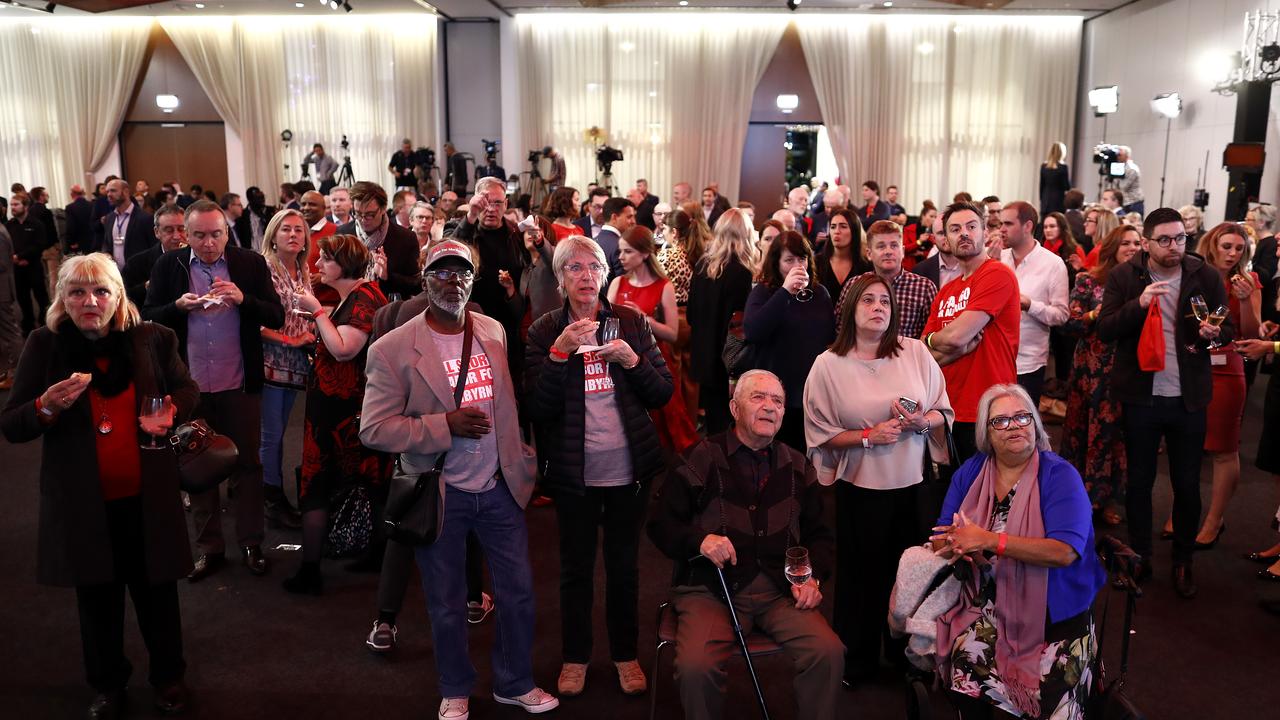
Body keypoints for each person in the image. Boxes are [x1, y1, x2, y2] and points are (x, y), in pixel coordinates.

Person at [360, 239, 557, 719]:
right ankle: (454, 687)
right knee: (446, 604)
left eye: (462, 273)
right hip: (440, 491)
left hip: (499, 486)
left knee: (519, 594)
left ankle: (514, 682)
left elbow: (507, 402)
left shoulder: (492, 330)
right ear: (425, 281)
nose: (454, 282)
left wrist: (521, 453)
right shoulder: (392, 349)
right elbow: (373, 429)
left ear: (474, 279)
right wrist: (442, 425)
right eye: (443, 273)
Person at [1, 254, 201, 717]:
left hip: (147, 498)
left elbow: (189, 390)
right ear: (62, 299)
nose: (90, 302)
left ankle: (169, 678)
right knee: (97, 602)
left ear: (117, 296)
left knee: (158, 599)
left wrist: (172, 409)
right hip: (83, 504)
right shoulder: (43, 346)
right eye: (77, 293)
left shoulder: (152, 339)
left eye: (100, 292)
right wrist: (45, 407)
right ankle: (108, 685)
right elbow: (12, 424)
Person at [525, 234, 673, 698]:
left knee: (625, 567)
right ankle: (576, 657)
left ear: (604, 276)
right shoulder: (546, 329)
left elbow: (662, 393)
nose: (585, 276)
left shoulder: (629, 322)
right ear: (561, 278)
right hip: (574, 472)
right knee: (575, 569)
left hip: (629, 469)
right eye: (574, 268)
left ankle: (626, 655)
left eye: (593, 268)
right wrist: (559, 353)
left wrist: (632, 361)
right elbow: (537, 406)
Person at [648, 369, 843, 720]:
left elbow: (821, 535)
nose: (770, 407)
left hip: (778, 591)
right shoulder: (698, 458)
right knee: (696, 667)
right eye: (758, 397)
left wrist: (811, 578)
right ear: (734, 408)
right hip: (710, 590)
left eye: (778, 401)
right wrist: (700, 540)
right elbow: (660, 526)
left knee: (828, 653)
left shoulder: (798, 465)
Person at [804, 274, 953, 687]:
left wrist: (923, 422)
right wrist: (869, 437)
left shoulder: (916, 353)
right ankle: (858, 659)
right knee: (860, 577)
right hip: (860, 489)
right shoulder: (828, 365)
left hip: (912, 485)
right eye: (868, 300)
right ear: (851, 308)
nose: (878, 307)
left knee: (909, 574)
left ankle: (908, 655)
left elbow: (945, 412)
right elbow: (818, 433)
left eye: (885, 301)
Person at [932, 384, 1105, 720]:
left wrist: (986, 540)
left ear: (1036, 424)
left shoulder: (1059, 476)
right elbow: (940, 535)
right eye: (1001, 421)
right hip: (988, 607)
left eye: (1023, 417)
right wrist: (955, 544)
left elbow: (1065, 552)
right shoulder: (972, 473)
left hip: (1055, 618)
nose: (1014, 426)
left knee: (1054, 707)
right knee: (965, 664)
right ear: (985, 432)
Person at [143, 200, 285, 582]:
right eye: (200, 235)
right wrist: (177, 306)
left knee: (248, 465)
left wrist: (243, 300)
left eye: (216, 234)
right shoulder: (167, 266)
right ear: (185, 235)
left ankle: (252, 543)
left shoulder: (249, 264)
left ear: (227, 232)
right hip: (190, 389)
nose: (208, 243)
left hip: (239, 382)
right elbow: (148, 317)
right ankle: (210, 550)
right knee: (196, 467)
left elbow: (277, 315)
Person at [1097, 207, 1232, 598]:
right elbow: (1105, 329)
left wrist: (1213, 335)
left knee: (1187, 484)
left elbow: (1228, 331)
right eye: (1166, 240)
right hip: (1141, 397)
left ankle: (1183, 560)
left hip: (1189, 396)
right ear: (1146, 242)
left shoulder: (1203, 275)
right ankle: (1139, 558)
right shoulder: (1125, 276)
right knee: (1139, 483)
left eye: (1181, 238)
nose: (1175, 247)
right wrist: (1138, 305)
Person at [280, 234, 389, 594]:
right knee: (363, 483)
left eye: (325, 259)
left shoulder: (363, 297)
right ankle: (376, 553)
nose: (318, 265)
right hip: (341, 407)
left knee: (320, 484)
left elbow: (344, 350)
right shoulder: (359, 295)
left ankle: (312, 570)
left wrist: (315, 311)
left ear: (345, 263)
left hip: (343, 411)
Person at [1166, 223, 1260, 549]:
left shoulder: (1248, 282)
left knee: (1223, 448)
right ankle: (1183, 512)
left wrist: (1246, 301)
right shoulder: (1194, 274)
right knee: (1184, 442)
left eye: (1239, 248)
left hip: (1227, 366)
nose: (1232, 254)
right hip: (1190, 363)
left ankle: (1214, 519)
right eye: (1227, 246)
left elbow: (1252, 331)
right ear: (1213, 245)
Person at [922, 202, 1021, 462]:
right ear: (945, 238)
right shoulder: (946, 290)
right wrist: (948, 346)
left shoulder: (997, 274)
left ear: (984, 232)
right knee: (952, 493)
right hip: (947, 408)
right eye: (954, 229)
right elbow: (924, 354)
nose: (964, 233)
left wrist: (944, 342)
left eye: (971, 226)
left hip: (989, 410)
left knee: (986, 496)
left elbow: (956, 337)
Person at [1060, 225, 1142, 526]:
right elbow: (1071, 324)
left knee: (1114, 438)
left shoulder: (1144, 283)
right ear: (1112, 247)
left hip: (1127, 371)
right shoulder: (1089, 280)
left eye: (1137, 243)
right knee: (1082, 433)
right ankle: (1075, 496)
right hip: (1089, 372)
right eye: (1125, 243)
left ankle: (1105, 499)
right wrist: (1099, 314)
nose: (1132, 247)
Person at [743, 230, 835, 449]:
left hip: (810, 391)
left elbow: (830, 339)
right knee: (775, 453)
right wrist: (785, 291)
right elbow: (753, 332)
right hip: (774, 391)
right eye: (789, 260)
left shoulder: (820, 294)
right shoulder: (764, 292)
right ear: (776, 263)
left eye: (801, 258)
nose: (797, 266)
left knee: (805, 455)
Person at [607, 226, 697, 452]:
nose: (621, 257)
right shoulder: (618, 282)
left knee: (663, 424)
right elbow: (605, 323)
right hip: (620, 361)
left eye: (627, 252)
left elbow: (672, 334)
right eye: (620, 251)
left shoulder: (663, 286)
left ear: (645, 254)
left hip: (653, 361)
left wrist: (644, 318)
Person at [255, 210, 314, 531]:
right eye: (285, 230)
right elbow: (253, 321)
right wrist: (290, 340)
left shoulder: (303, 269)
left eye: (299, 230)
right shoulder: (263, 267)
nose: (293, 235)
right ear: (273, 236)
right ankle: (271, 500)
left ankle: (271, 491)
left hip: (294, 363)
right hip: (269, 359)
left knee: (278, 433)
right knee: (272, 435)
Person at [687, 208, 757, 434]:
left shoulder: (701, 266)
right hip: (728, 359)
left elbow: (690, 315)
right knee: (731, 425)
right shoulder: (742, 272)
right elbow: (739, 324)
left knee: (714, 422)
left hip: (703, 355)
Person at [997, 202, 1068, 405]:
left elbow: (1061, 315)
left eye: (1008, 223)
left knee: (1023, 427)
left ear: (1028, 226)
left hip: (1028, 363)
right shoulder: (997, 259)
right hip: (992, 357)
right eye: (1001, 223)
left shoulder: (1053, 264)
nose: (1001, 229)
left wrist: (1030, 305)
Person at [838, 220, 937, 341]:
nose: (888, 251)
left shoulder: (924, 288)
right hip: (860, 357)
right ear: (869, 254)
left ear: (903, 252)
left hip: (907, 357)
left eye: (894, 245)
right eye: (881, 246)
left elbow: (931, 336)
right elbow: (841, 330)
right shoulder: (853, 285)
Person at [661, 205, 709, 424]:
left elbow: (657, 284)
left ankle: (677, 423)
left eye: (664, 229)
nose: (662, 234)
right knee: (691, 377)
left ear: (675, 232)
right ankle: (690, 421)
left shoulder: (669, 254)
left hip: (674, 318)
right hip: (693, 319)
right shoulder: (697, 253)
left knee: (674, 374)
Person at [336, 181, 421, 299]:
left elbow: (417, 285)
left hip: (392, 309)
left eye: (370, 215)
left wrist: (387, 276)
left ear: (383, 209)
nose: (363, 219)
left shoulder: (405, 238)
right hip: (351, 305)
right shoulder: (343, 234)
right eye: (358, 213)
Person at [122, 205, 187, 308]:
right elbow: (122, 297)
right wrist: (146, 287)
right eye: (169, 230)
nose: (177, 236)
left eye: (181, 229)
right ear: (157, 232)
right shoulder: (136, 263)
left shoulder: (200, 259)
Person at [7, 192, 53, 336]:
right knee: (23, 299)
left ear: (25, 206)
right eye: (11, 205)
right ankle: (28, 326)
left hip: (33, 266)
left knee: (41, 297)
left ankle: (46, 324)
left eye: (16, 204)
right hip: (17, 269)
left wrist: (21, 256)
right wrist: (14, 258)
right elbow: (7, 246)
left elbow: (40, 244)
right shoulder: (9, 225)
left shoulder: (36, 224)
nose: (12, 208)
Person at [814, 208, 871, 306]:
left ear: (854, 231)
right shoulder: (817, 262)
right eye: (833, 227)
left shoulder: (866, 265)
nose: (837, 231)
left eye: (843, 227)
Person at [596, 196, 636, 279]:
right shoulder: (620, 246)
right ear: (614, 217)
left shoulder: (594, 241)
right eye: (629, 217)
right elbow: (624, 284)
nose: (633, 221)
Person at [1081, 203, 1121, 269]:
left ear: (1101, 225)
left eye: (1089, 220)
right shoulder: (1114, 248)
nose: (1085, 224)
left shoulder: (1097, 252)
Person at [902, 201, 937, 271]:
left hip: (927, 268)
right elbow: (904, 249)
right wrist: (919, 242)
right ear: (923, 216)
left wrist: (922, 253)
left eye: (935, 217)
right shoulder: (909, 229)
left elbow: (937, 253)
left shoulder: (934, 233)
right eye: (931, 216)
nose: (934, 219)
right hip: (910, 268)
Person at [1109, 146, 1144, 215]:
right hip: (1125, 202)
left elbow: (1123, 187)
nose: (1117, 157)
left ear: (1126, 156)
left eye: (1120, 155)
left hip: (1133, 202)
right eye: (1117, 155)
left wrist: (1114, 176)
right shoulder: (1119, 166)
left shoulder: (1132, 169)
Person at [1039, 141, 1071, 215]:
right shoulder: (1063, 167)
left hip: (1045, 202)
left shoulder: (1044, 166)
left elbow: (1041, 186)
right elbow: (1066, 187)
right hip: (1058, 202)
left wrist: (1042, 200)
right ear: (1062, 153)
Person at [64, 184, 94, 256]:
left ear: (72, 194)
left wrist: (71, 242)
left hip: (78, 243)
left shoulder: (70, 208)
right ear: (83, 193)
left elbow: (71, 227)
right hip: (92, 241)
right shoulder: (92, 205)